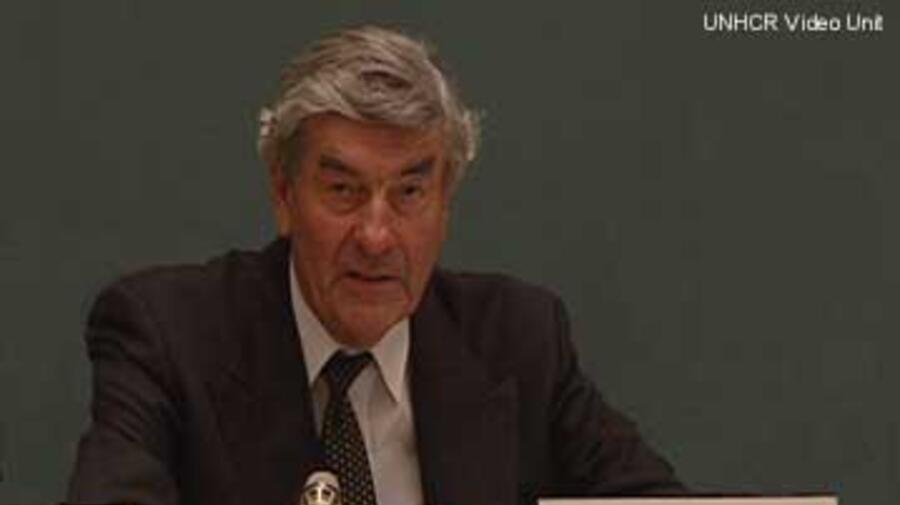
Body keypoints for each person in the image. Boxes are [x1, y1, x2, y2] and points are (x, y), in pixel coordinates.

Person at [68, 25, 683, 505]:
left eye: (410, 193)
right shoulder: (170, 336)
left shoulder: (518, 343)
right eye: (343, 191)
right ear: (283, 195)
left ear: (446, 201)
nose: (376, 235)